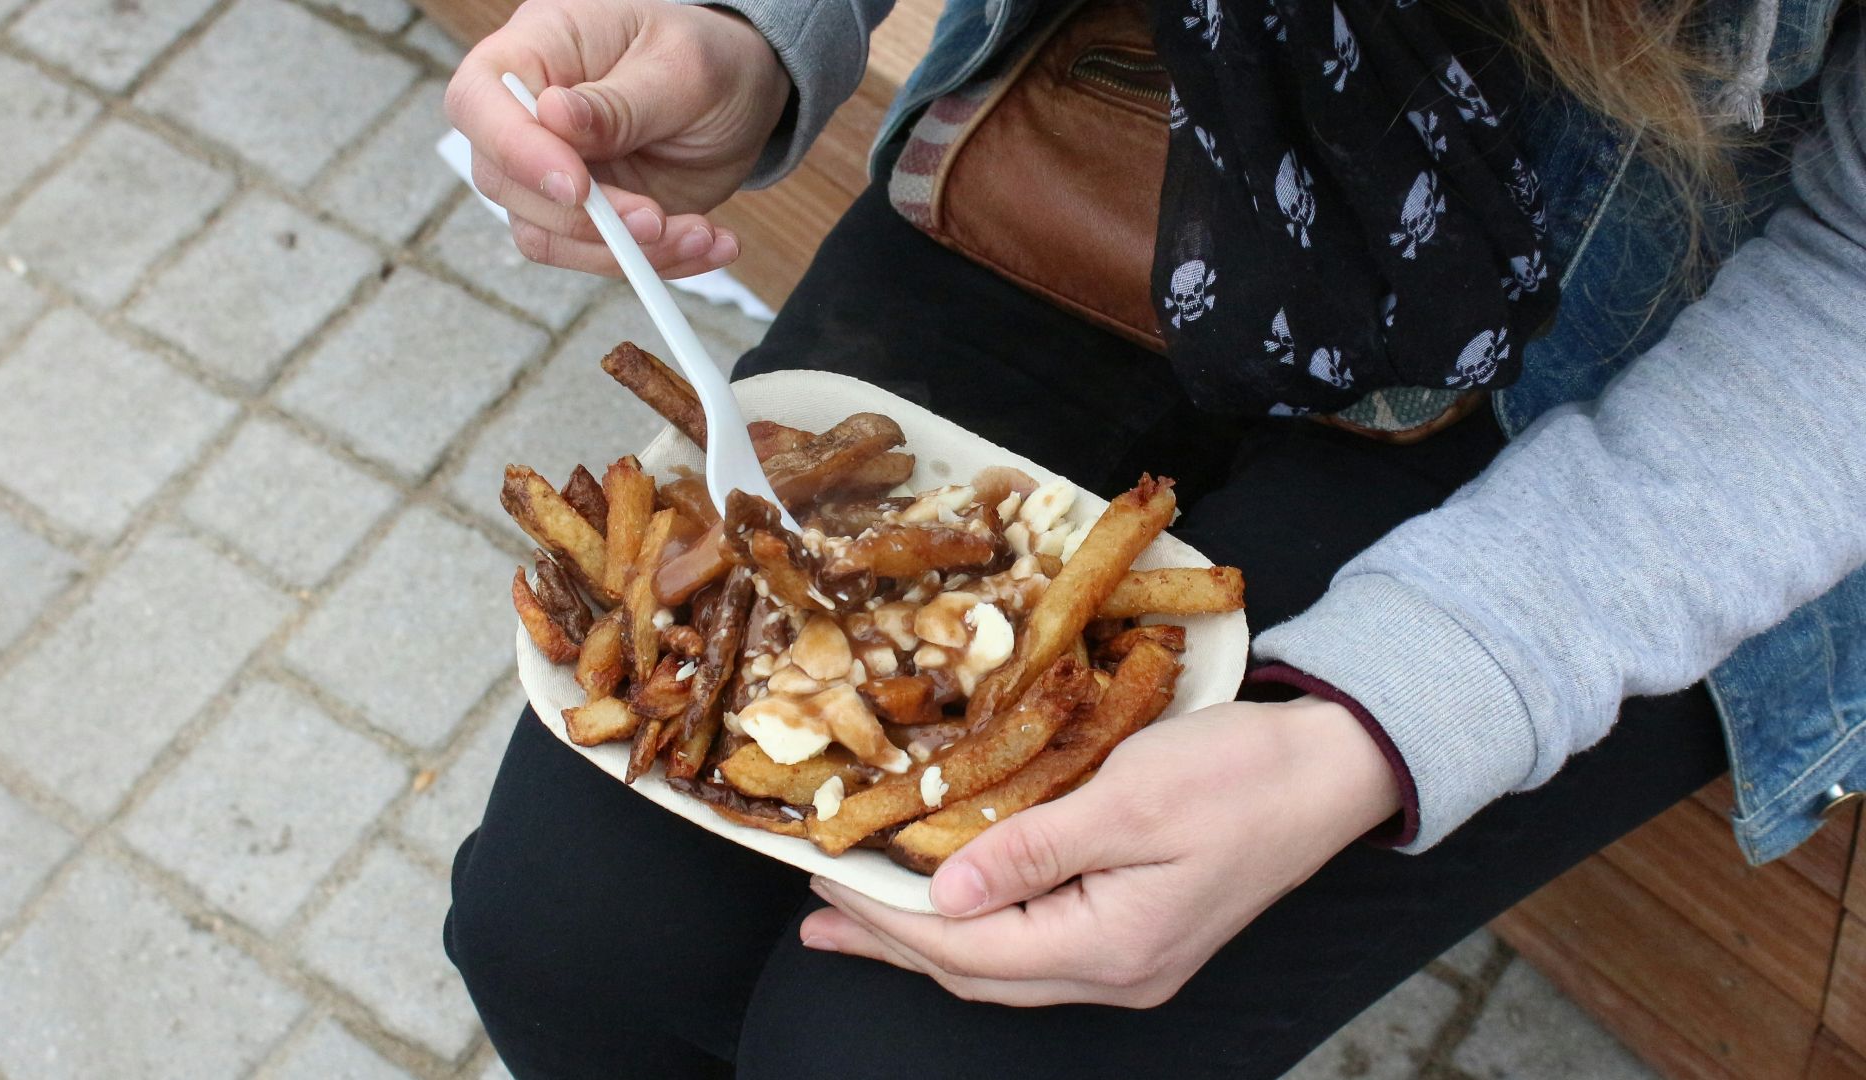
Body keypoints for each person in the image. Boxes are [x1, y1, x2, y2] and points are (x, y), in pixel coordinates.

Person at [439, 0, 1866, 1072]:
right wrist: (736, 32)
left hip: (1645, 361)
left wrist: (1381, 726)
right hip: (1132, 118)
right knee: (563, 940)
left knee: (897, 1056)